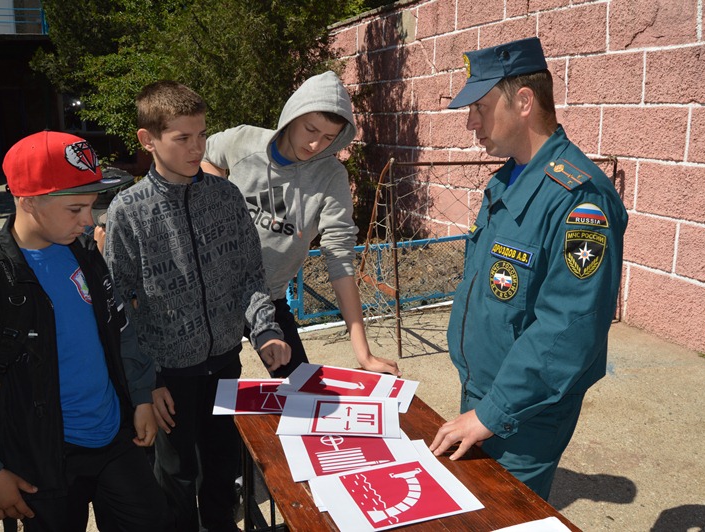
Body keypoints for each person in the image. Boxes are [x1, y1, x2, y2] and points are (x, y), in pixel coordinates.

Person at [428, 37, 628, 500]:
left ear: (523, 101)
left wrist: (491, 412)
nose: (470, 122)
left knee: (500, 514)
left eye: (479, 106)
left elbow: (570, 328)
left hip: (526, 412)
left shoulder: (580, 198)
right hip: (486, 392)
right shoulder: (508, 180)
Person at [0, 131, 170, 530]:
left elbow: (120, 327)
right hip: (40, 459)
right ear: (29, 200)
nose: (90, 220)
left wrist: (140, 396)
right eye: (75, 209)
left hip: (113, 438)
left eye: (92, 205)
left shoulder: (83, 253)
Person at [104, 80, 291, 531]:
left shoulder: (227, 198)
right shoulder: (127, 211)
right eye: (182, 138)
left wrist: (265, 329)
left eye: (202, 135)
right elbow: (118, 308)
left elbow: (250, 276)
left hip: (226, 364)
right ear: (147, 141)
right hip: (168, 379)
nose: (196, 147)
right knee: (176, 478)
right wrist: (145, 382)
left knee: (223, 471)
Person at [201, 71, 400, 378]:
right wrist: (219, 202)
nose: (315, 143)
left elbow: (340, 258)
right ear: (291, 116)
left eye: (329, 138)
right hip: (215, 295)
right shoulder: (243, 141)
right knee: (214, 398)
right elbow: (203, 156)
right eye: (310, 129)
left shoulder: (331, 176)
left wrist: (363, 352)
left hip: (269, 299)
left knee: (301, 392)